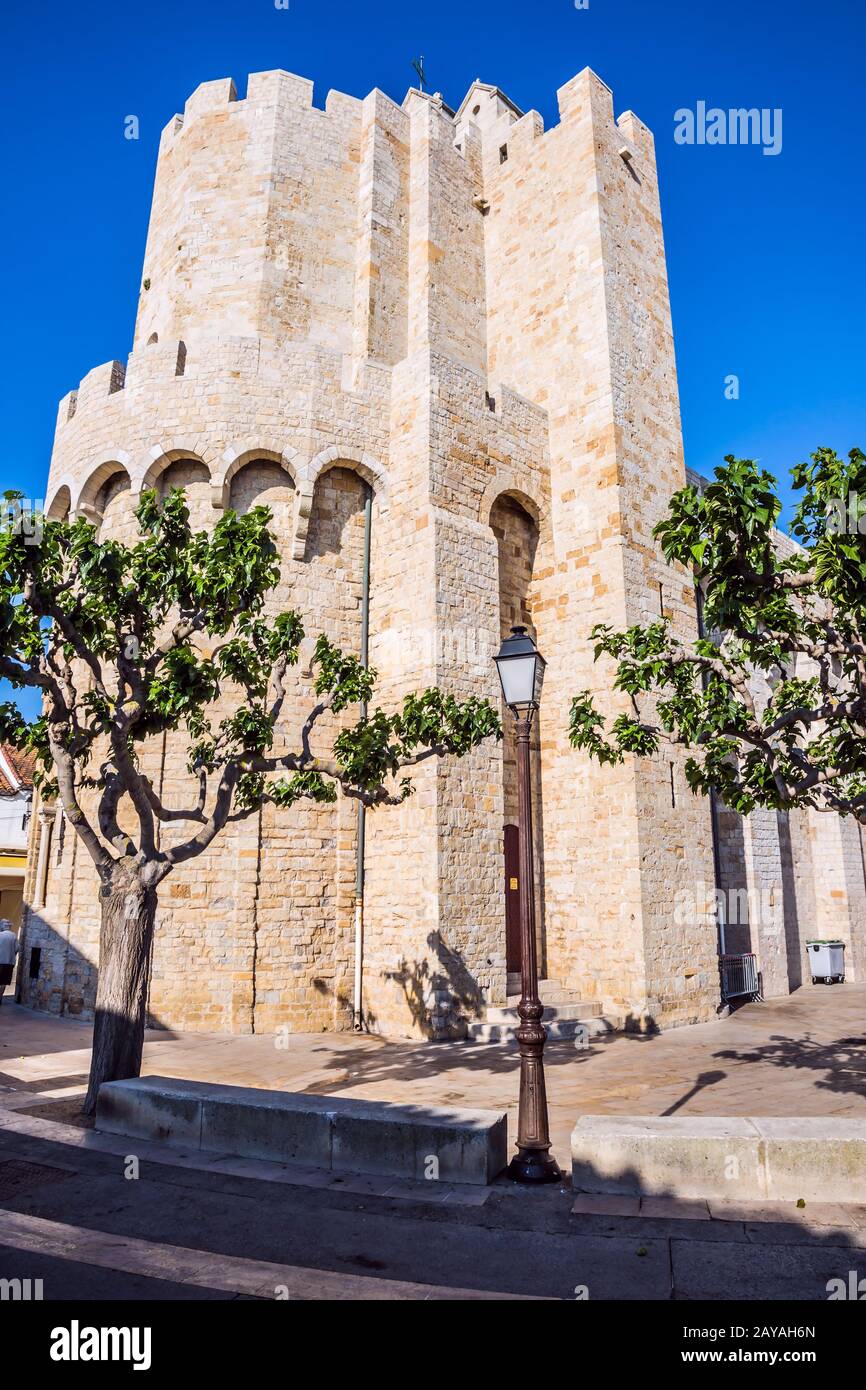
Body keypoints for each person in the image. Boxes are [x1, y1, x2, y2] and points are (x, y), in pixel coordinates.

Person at [0, 919, 19, 1006]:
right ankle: (0, 997)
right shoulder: (13, 936)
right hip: (8, 962)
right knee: (4, 982)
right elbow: (17, 949)